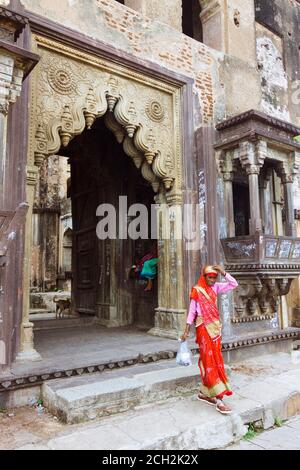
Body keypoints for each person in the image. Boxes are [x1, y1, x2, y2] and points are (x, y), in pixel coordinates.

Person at [181, 264, 238, 415]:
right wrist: (186, 331)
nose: (212, 280)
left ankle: (205, 393)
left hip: (215, 328)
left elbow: (234, 284)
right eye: (210, 277)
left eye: (214, 277)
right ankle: (219, 398)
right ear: (204, 277)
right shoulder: (197, 290)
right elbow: (192, 312)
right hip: (202, 328)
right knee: (208, 360)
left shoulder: (217, 287)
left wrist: (223, 272)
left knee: (216, 359)